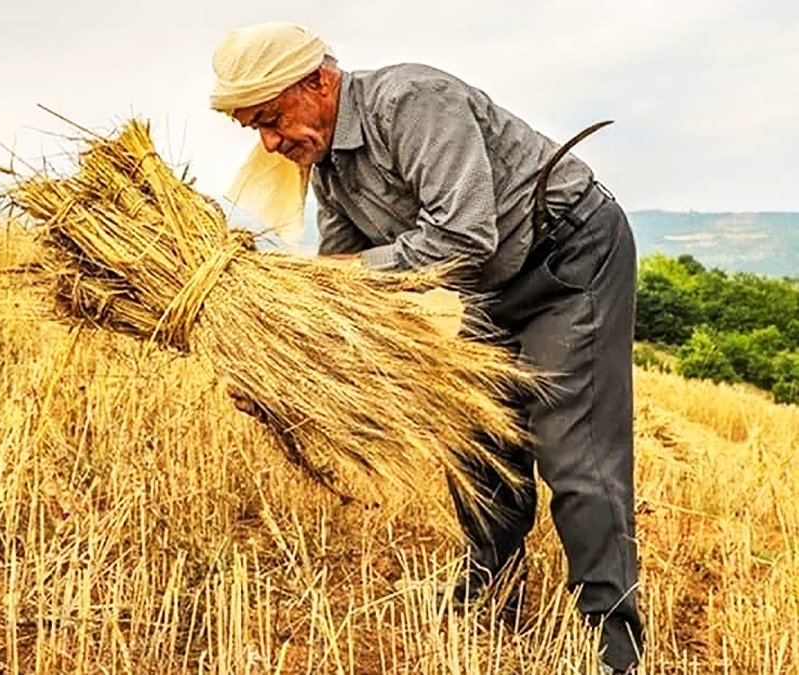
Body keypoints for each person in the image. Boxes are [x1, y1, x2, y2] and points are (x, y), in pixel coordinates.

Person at [209, 22, 643, 674]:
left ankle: (613, 641)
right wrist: (282, 363)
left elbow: (463, 234)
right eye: (255, 129)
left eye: (272, 117)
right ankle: (488, 591)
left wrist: (344, 276)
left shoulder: (411, 101)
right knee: (476, 441)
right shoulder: (330, 168)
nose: (271, 142)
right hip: (485, 284)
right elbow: (349, 289)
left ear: (317, 82)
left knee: (573, 449)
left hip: (566, 257)